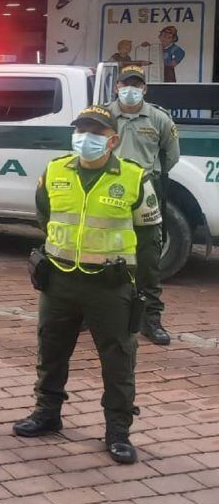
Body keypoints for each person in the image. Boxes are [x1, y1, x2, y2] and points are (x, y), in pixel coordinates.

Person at [13, 105, 162, 465]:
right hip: (60, 281)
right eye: (81, 131)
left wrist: (145, 290)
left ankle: (118, 431)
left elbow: (149, 240)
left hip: (110, 288)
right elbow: (45, 217)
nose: (86, 139)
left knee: (118, 360)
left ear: (112, 139)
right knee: (51, 351)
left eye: (96, 133)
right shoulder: (54, 172)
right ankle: (47, 413)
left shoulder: (133, 177)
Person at [106, 65, 179, 346]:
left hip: (146, 189)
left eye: (137, 85)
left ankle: (151, 319)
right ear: (116, 87)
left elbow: (171, 156)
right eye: (125, 84)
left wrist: (147, 176)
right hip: (109, 189)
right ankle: (93, 313)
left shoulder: (159, 118)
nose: (130, 90)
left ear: (145, 89)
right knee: (103, 249)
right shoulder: (104, 116)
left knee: (148, 257)